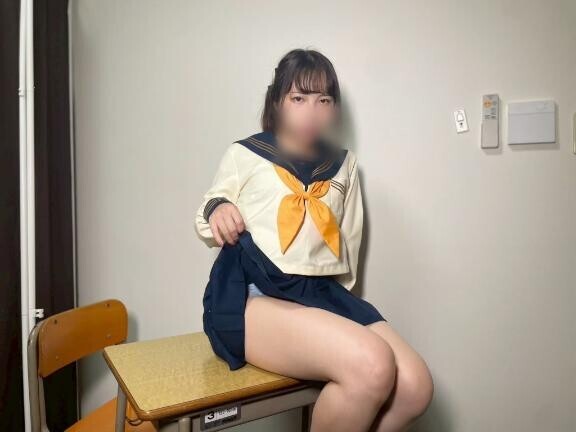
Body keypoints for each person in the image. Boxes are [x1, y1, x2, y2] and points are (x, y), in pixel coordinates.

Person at [195, 48, 433, 432]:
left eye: (324, 100)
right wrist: (219, 210)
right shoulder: (246, 154)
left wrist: (336, 320)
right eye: (299, 98)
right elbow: (207, 212)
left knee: (415, 387)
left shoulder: (343, 163)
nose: (312, 111)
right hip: (252, 294)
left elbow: (348, 241)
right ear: (277, 101)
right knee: (372, 364)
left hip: (320, 293)